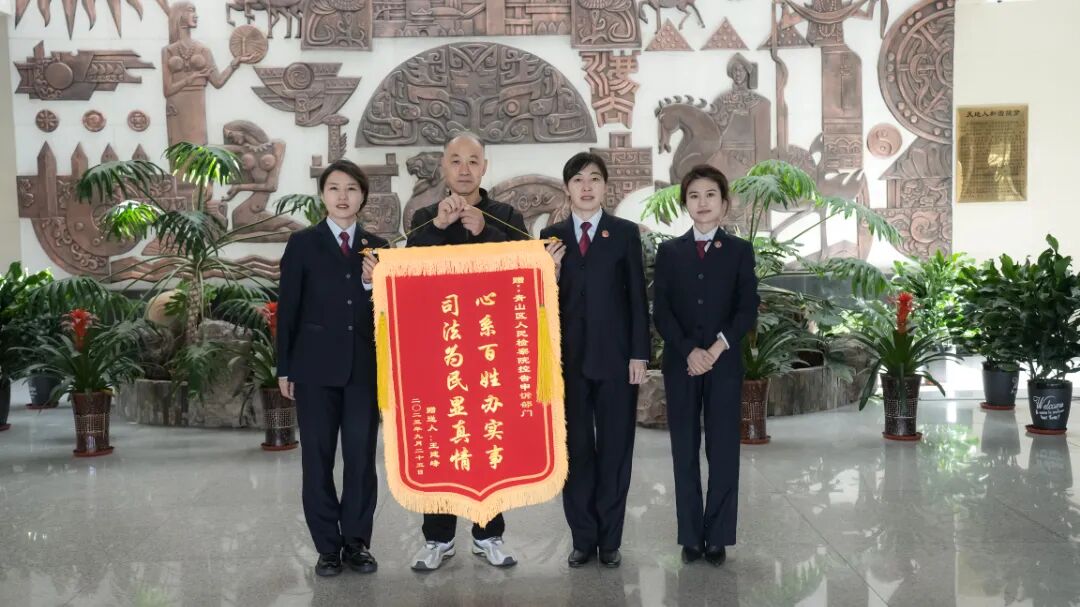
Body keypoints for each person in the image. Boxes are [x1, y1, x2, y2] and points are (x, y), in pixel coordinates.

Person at [405, 132, 534, 571]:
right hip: (439, 352)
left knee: (489, 441)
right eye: (456, 161)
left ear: (485, 167)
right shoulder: (424, 216)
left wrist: (485, 231)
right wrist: (439, 229)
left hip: (491, 350)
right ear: (443, 167)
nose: (464, 169)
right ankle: (438, 539)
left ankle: (488, 535)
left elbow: (526, 267)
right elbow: (409, 274)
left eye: (472, 161)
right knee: (441, 442)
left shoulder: (507, 215)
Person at [276, 159, 388, 577]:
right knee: (317, 460)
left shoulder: (379, 247)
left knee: (360, 459)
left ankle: (357, 543)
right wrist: (284, 368)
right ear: (323, 195)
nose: (343, 196)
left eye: (352, 189)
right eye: (335, 188)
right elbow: (288, 308)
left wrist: (373, 284)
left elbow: (390, 314)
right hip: (313, 369)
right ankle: (327, 547)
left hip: (364, 371)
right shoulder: (302, 243)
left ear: (363, 197)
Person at [538, 153, 649, 568]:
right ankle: (583, 538)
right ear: (567, 188)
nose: (586, 187)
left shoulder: (623, 234)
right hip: (567, 363)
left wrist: (639, 353)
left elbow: (637, 297)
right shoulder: (550, 237)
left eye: (595, 179)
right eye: (578, 180)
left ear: (605, 187)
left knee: (616, 450)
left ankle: (610, 540)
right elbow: (536, 303)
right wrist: (548, 274)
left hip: (617, 361)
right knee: (576, 451)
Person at [652, 164, 759, 567]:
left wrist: (714, 350)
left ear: (724, 203)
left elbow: (746, 308)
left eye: (710, 195)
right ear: (686, 204)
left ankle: (717, 537)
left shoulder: (739, 251)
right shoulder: (670, 252)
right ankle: (690, 536)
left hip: (724, 364)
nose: (702, 202)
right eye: (694, 195)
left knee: (723, 449)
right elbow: (662, 311)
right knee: (684, 450)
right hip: (682, 365)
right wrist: (688, 351)